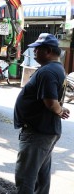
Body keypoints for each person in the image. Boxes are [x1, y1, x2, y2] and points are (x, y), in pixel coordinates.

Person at [14, 33, 70, 194]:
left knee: (26, 176)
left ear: (48, 51)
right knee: (41, 175)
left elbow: (51, 102)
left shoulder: (48, 71)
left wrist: (59, 110)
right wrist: (61, 109)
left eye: (37, 49)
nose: (34, 53)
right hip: (45, 131)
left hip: (38, 132)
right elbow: (55, 99)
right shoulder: (57, 68)